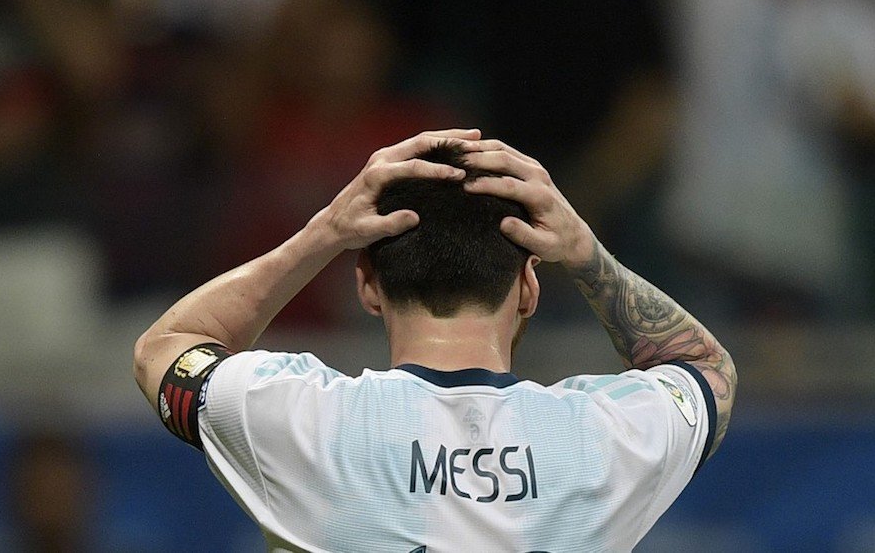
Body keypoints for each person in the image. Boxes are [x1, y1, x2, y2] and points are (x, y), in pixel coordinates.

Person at [133, 128, 736, 552]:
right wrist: (585, 252)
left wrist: (324, 232)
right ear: (529, 287)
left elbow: (168, 346)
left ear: (367, 286)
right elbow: (704, 367)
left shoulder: (302, 422)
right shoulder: (604, 439)